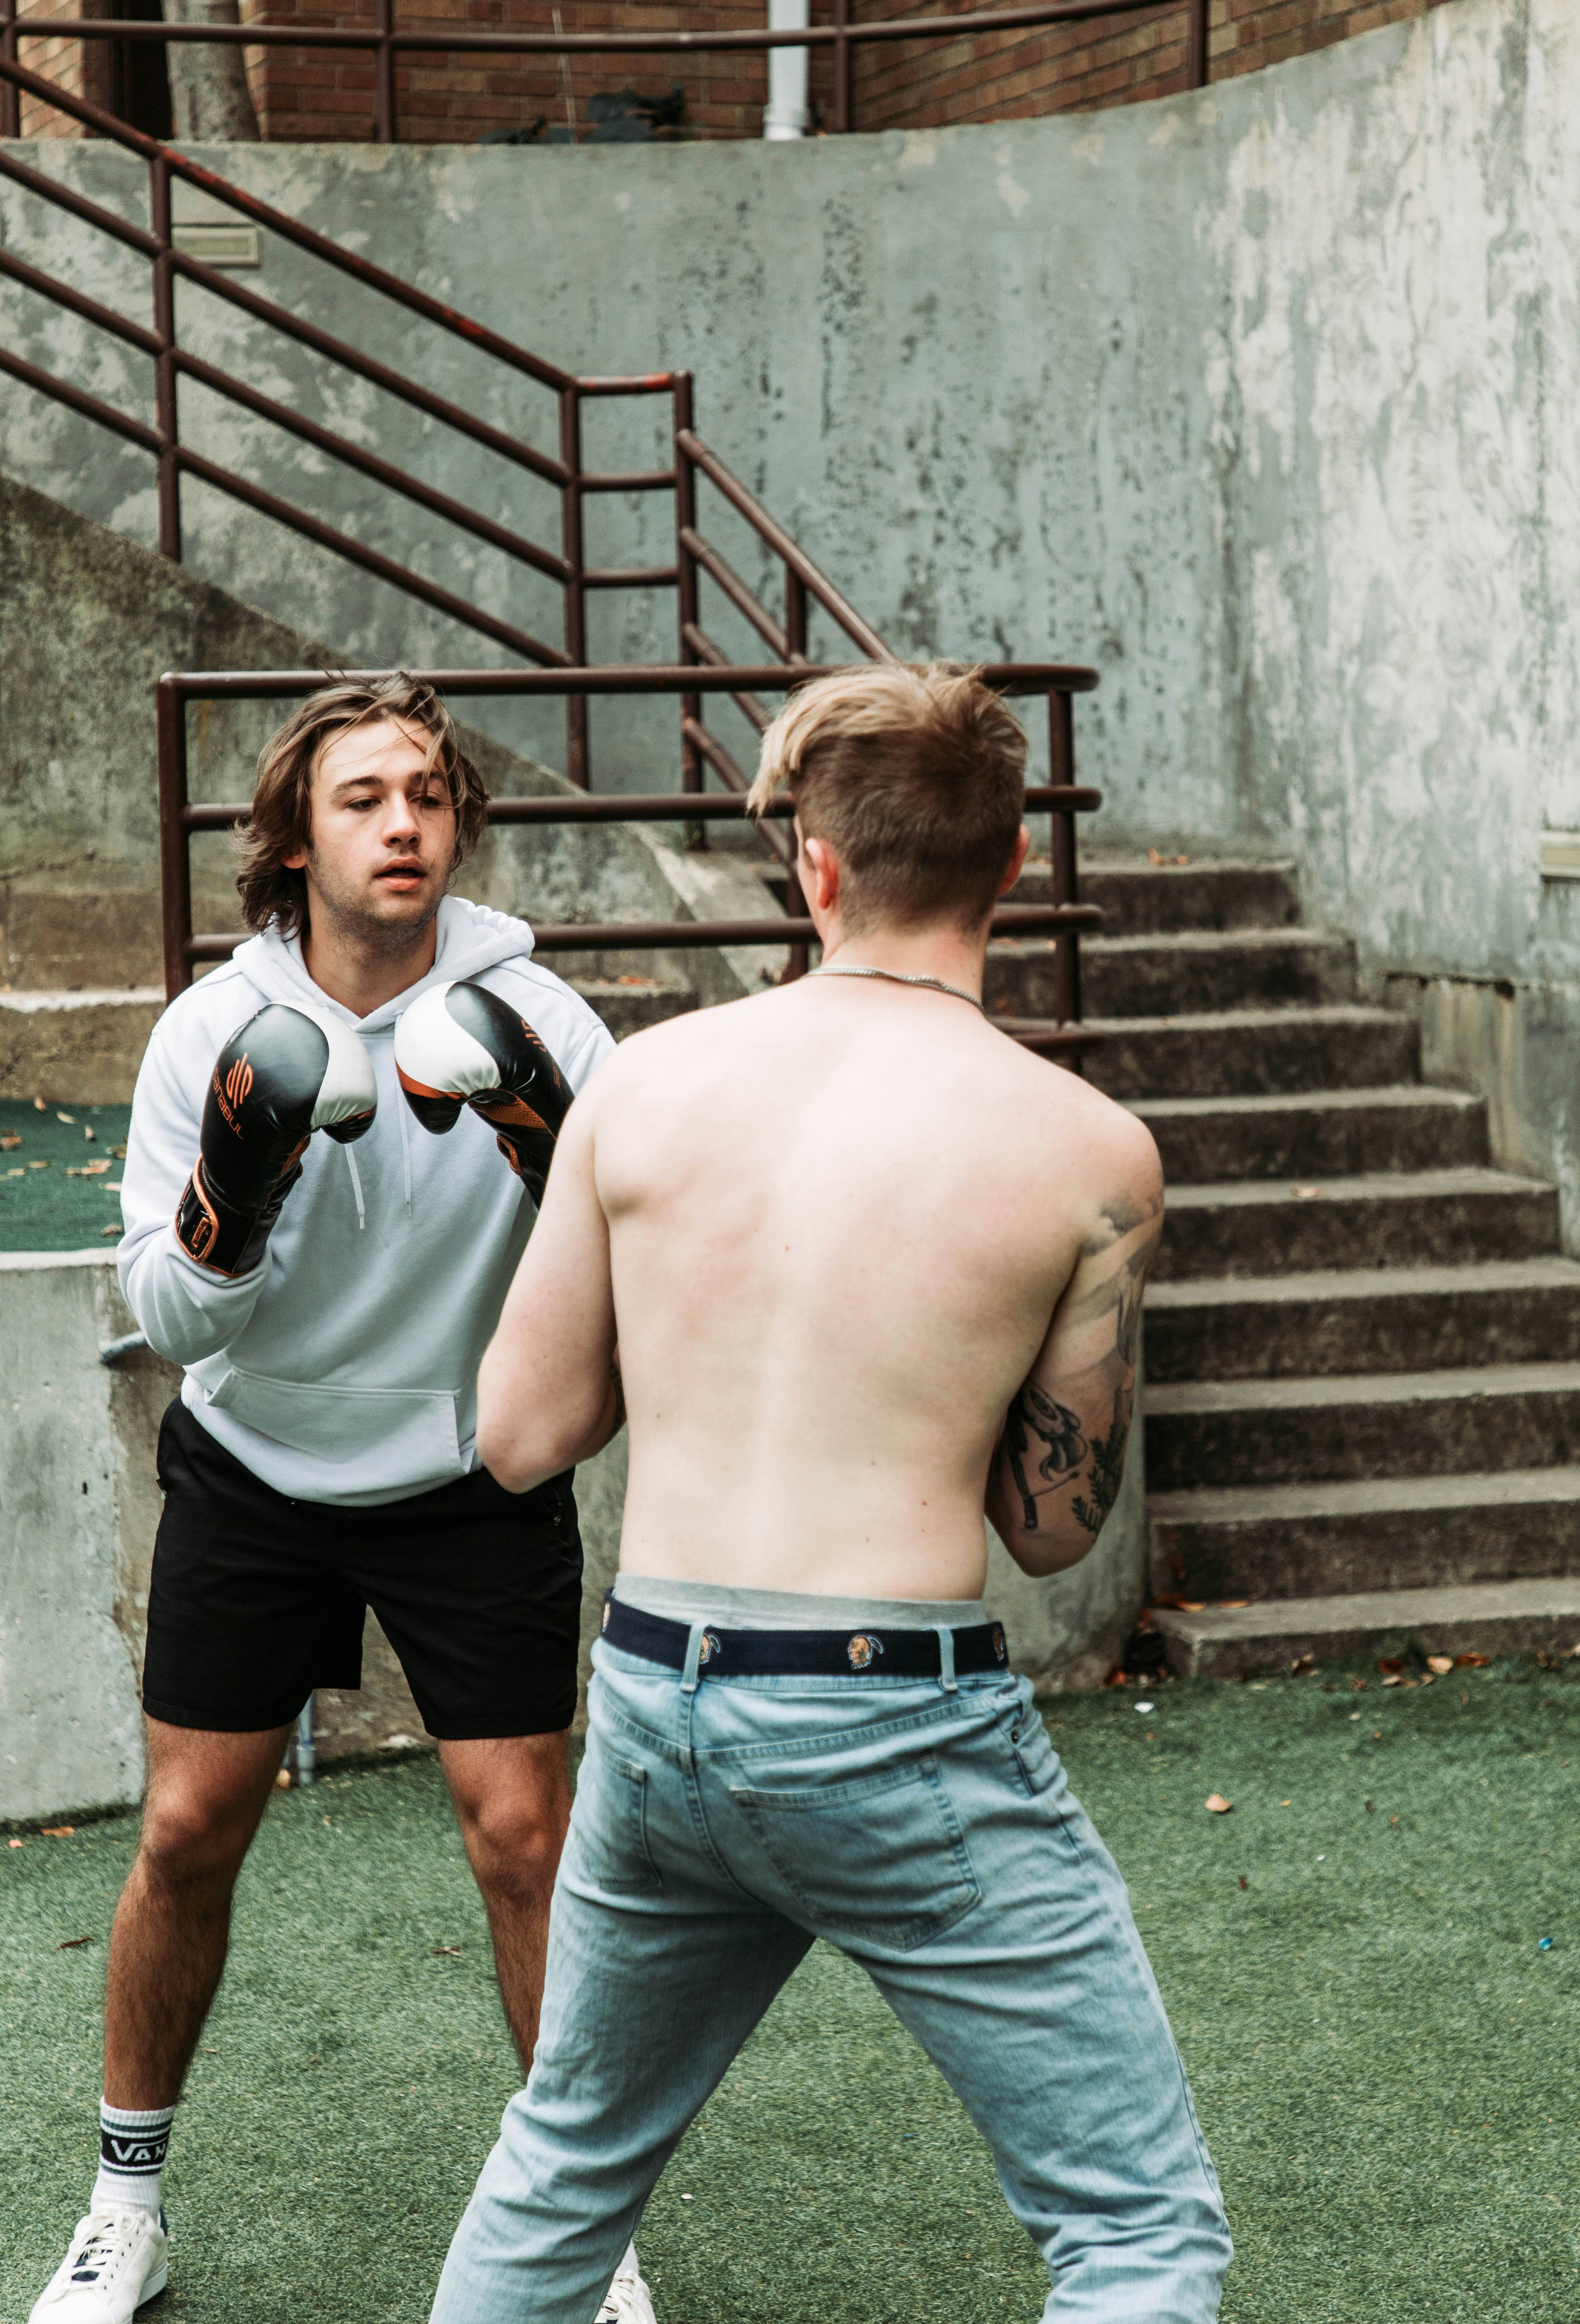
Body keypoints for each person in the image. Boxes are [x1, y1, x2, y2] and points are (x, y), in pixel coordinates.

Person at [429, 661, 1233, 2323]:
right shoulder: (1090, 1152)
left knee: (563, 2160)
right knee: (1135, 2231)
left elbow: (517, 1433)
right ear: (1015, 867)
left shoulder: (642, 1084)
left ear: (811, 868)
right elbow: (1048, 1523)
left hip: (659, 1695)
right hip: (889, 1717)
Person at [28, 676, 654, 2324]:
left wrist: (547, 1145)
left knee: (529, 1838)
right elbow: (163, 1315)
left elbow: (643, 1255)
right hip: (256, 1462)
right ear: (294, 837)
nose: (404, 822)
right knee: (184, 1827)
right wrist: (240, 1200)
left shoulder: (545, 1019)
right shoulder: (206, 1034)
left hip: (467, 1468)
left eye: (430, 794)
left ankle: (580, 2230)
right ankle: (122, 2205)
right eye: (365, 795)